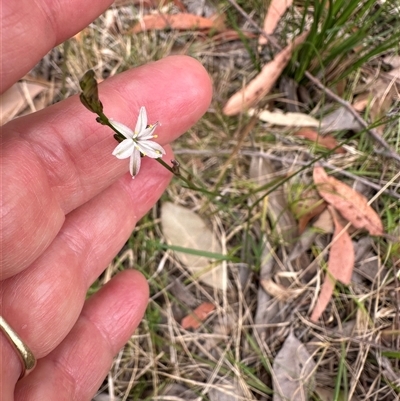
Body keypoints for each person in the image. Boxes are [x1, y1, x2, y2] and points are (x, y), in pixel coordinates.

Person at [0, 1, 212, 399]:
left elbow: (135, 142)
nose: (138, 139)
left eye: (139, 137)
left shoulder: (135, 143)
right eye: (136, 137)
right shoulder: (128, 143)